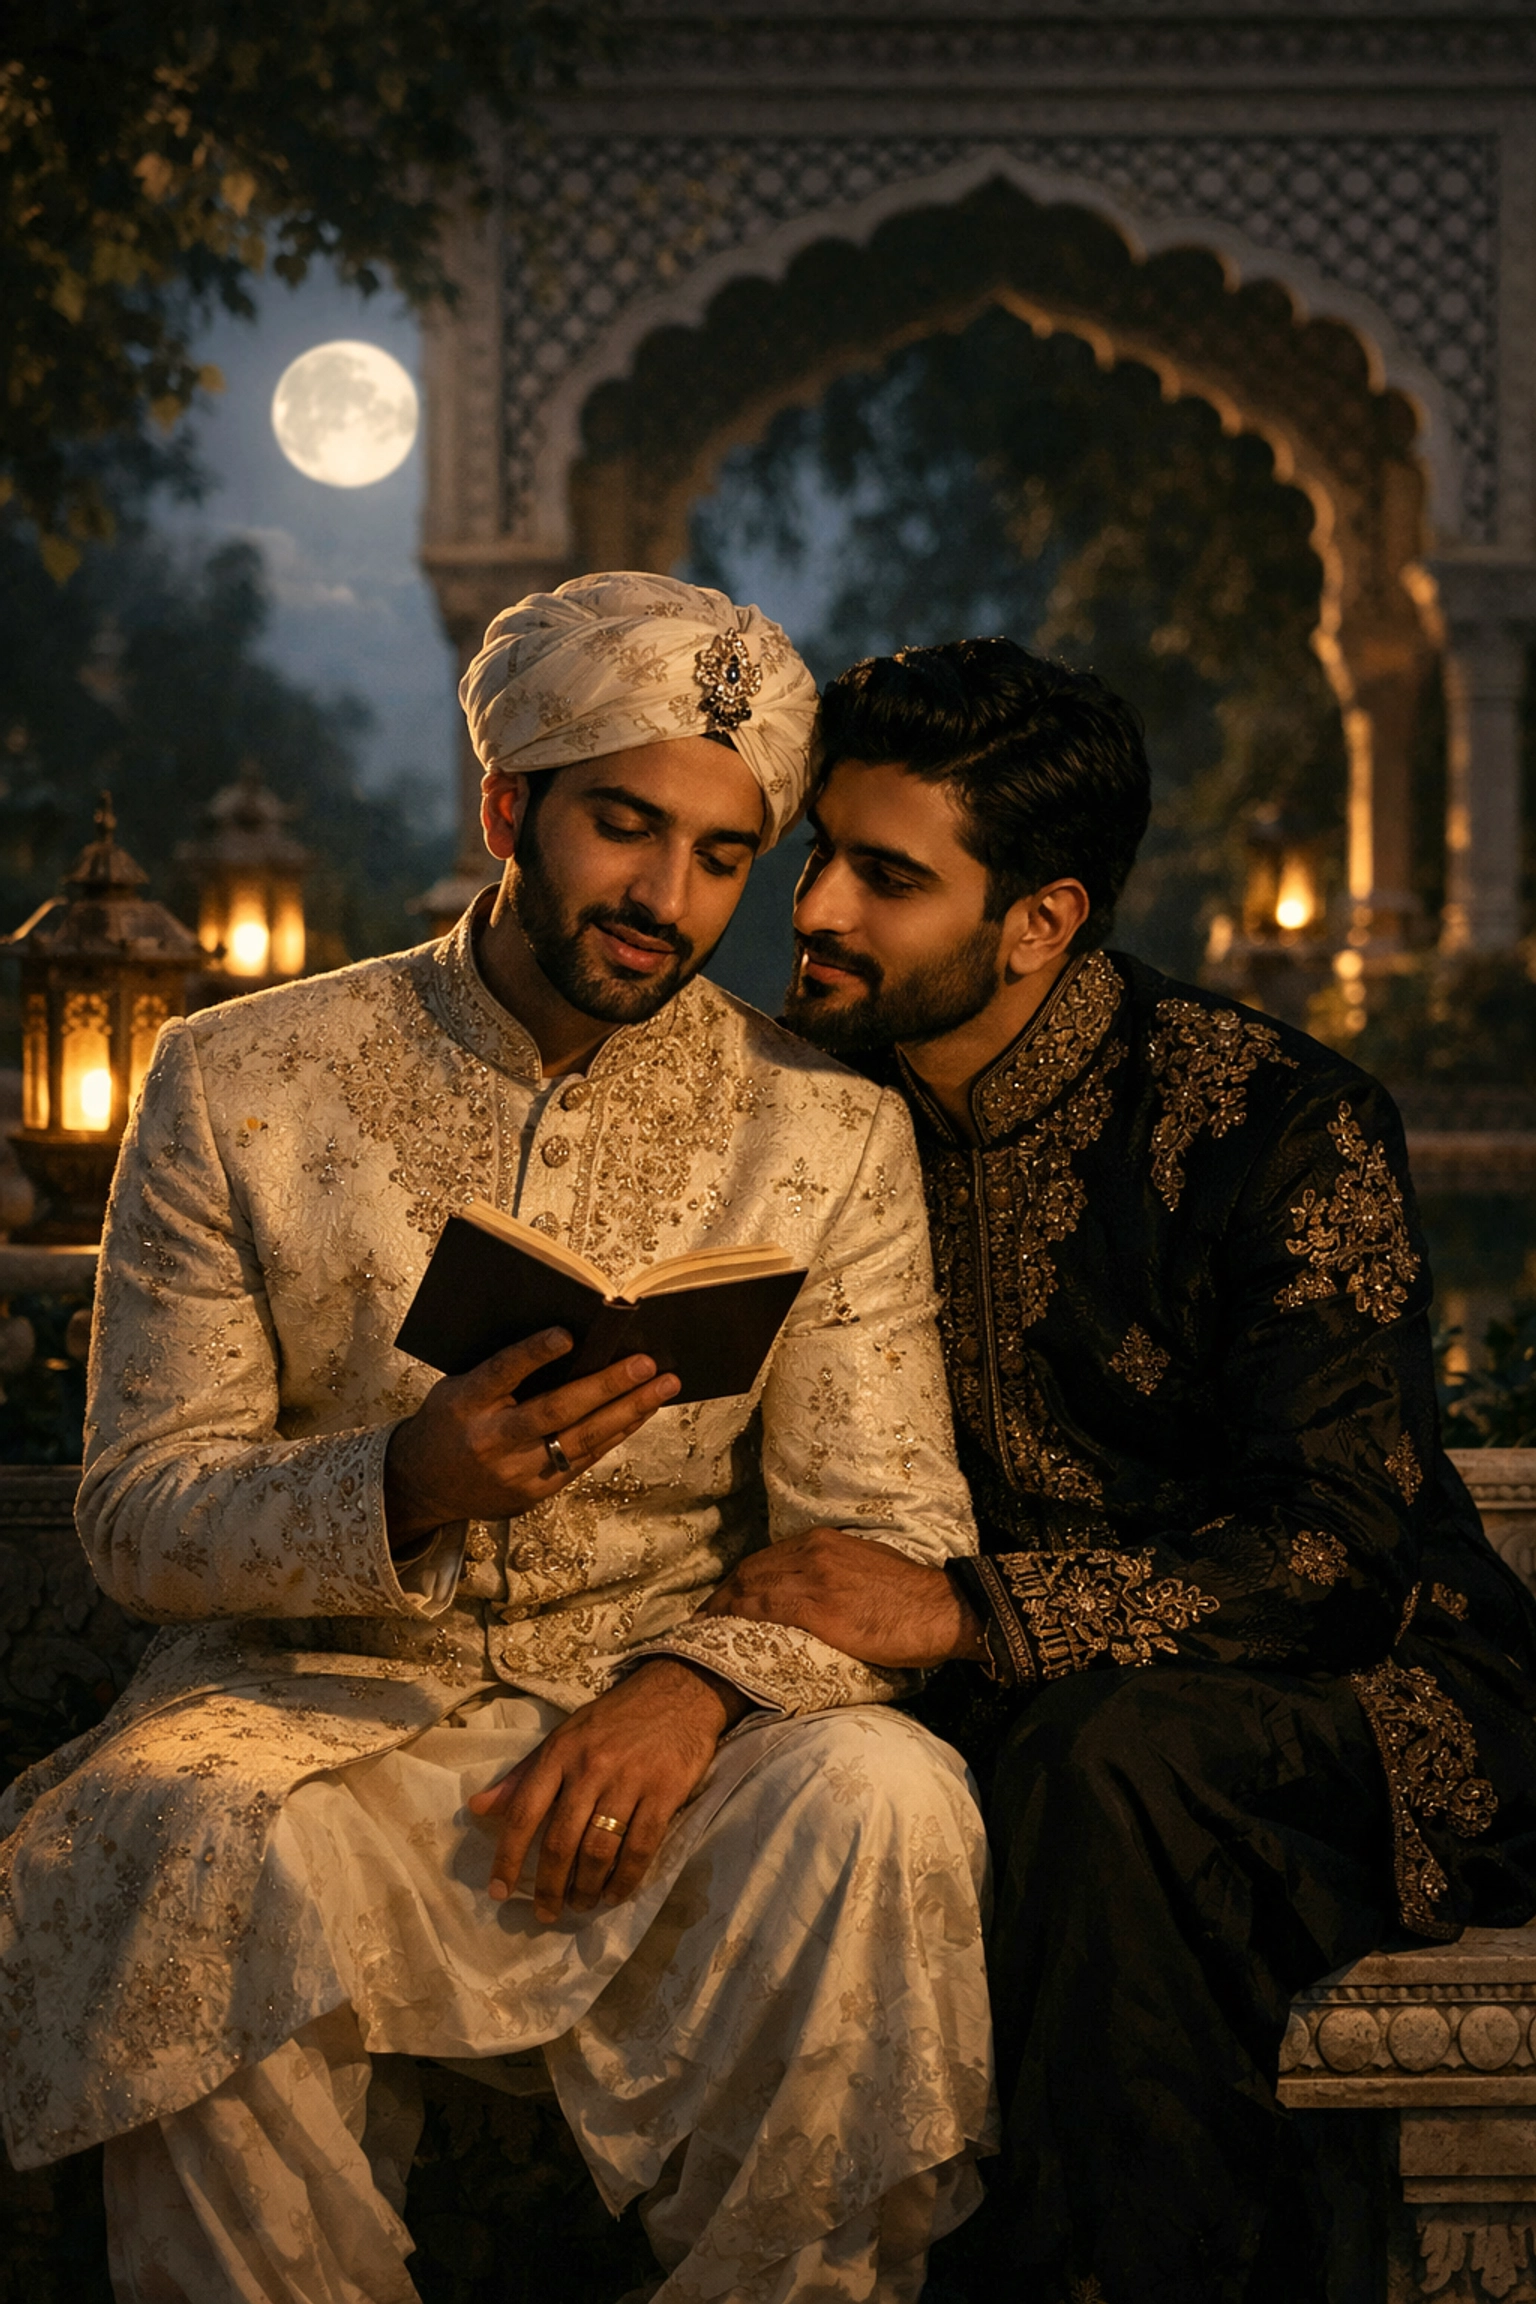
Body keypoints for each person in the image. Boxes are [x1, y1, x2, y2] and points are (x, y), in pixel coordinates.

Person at [0, 578, 995, 2304]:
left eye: (721, 853)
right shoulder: (243, 1080)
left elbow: (890, 1531)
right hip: (321, 1723)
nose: (667, 899)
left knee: (882, 1799)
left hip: (662, 1732)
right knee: (167, 1833)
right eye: (626, 828)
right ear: (506, 809)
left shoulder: (826, 1135)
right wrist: (405, 1485)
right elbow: (140, 1516)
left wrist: (694, 1690)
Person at [704, 637, 1536, 2304]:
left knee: (1105, 1767)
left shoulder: (1273, 1119)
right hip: (1017, 1724)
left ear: (1043, 920)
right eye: (818, 857)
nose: (815, 914)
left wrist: (966, 1612)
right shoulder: (796, 1115)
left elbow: (1335, 1552)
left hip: (1371, 1710)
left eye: (888, 877)